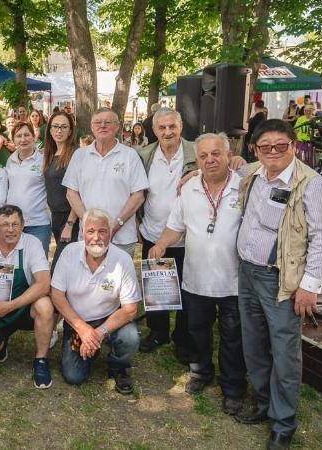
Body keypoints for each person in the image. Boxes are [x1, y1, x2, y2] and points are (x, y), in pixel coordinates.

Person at [234, 119, 322, 450]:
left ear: (293, 145)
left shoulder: (311, 183)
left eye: (281, 145)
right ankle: (264, 404)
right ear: (256, 150)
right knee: (254, 344)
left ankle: (283, 422)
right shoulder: (253, 173)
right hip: (247, 273)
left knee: (284, 352)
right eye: (265, 147)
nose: (273, 152)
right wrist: (193, 173)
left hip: (282, 280)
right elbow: (223, 168)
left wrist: (310, 286)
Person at [147, 133, 246, 416]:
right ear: (197, 160)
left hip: (233, 282)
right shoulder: (188, 188)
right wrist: (162, 244)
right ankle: (201, 373)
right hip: (196, 277)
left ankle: (233, 387)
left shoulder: (245, 186)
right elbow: (174, 225)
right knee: (197, 332)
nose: (210, 160)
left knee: (232, 337)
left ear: (228, 155)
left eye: (216, 154)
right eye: (203, 156)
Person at [50, 208, 141, 394]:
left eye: (102, 231)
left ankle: (118, 366)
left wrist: (98, 333)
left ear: (111, 233)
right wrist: (82, 329)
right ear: (83, 233)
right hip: (76, 320)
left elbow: (131, 309)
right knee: (74, 377)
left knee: (130, 337)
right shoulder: (68, 253)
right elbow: (57, 296)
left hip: (109, 319)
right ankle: (87, 345)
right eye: (90, 231)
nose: (96, 237)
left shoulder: (122, 259)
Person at [0, 205, 55, 388]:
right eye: (5, 224)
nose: (11, 229)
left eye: (15, 224)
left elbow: (43, 284)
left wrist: (11, 306)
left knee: (45, 305)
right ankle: (2, 341)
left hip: (23, 308)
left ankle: (41, 360)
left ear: (23, 225)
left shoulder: (32, 244)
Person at [136, 108, 197, 358]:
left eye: (172, 126)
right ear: (154, 131)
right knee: (157, 288)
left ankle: (182, 338)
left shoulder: (196, 151)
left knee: (186, 289)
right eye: (162, 128)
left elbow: (227, 161)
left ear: (180, 126)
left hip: (189, 237)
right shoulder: (144, 156)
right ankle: (158, 332)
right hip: (153, 231)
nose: (167, 132)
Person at [63, 108, 148, 257]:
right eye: (98, 122)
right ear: (92, 127)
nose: (102, 125)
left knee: (120, 280)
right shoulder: (80, 155)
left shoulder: (130, 155)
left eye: (108, 122)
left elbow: (138, 195)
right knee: (88, 279)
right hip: (89, 239)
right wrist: (88, 222)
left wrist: (116, 225)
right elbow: (71, 193)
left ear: (117, 126)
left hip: (122, 238)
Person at [5, 123, 51, 256]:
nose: (23, 139)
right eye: (18, 136)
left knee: (38, 266)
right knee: (16, 265)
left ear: (33, 137)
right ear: (13, 140)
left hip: (38, 224)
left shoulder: (43, 160)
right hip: (14, 225)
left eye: (26, 135)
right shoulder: (10, 160)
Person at [42, 111, 79, 269]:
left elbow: (79, 192)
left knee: (59, 268)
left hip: (71, 218)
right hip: (56, 218)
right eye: (56, 126)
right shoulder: (49, 154)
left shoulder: (76, 154)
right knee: (69, 267)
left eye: (64, 127)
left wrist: (70, 224)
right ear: (49, 129)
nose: (59, 130)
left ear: (70, 131)